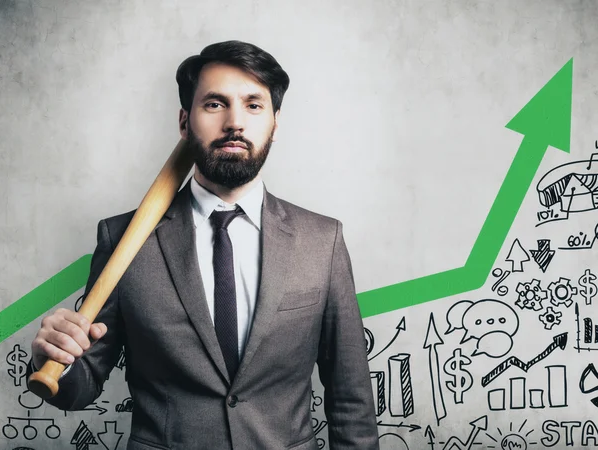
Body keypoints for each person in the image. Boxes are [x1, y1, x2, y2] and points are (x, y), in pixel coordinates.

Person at [27, 40, 379, 450]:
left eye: (253, 105)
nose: (234, 122)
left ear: (275, 123)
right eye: (214, 104)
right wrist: (53, 359)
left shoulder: (323, 241)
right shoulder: (122, 240)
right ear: (184, 121)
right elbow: (81, 387)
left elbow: (351, 399)